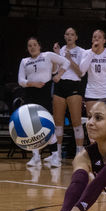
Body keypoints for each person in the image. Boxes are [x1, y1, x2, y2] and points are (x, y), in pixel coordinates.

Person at [18, 36, 70, 168]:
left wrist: (58, 75)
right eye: (30, 46)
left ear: (39, 46)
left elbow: (66, 62)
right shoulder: (24, 61)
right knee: (32, 126)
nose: (32, 47)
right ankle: (36, 156)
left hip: (44, 93)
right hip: (30, 93)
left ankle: (54, 156)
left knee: (46, 125)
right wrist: (32, 83)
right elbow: (20, 80)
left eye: (34, 44)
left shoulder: (47, 55)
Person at [48, 27, 86, 167]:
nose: (69, 36)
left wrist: (69, 59)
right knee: (58, 122)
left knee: (76, 121)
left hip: (74, 86)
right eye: (67, 34)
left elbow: (81, 73)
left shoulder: (81, 51)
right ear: (64, 36)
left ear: (76, 37)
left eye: (72, 34)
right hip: (60, 85)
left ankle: (79, 153)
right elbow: (55, 71)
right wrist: (57, 55)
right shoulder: (61, 49)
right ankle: (56, 155)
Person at [79, 29, 106, 116]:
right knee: (91, 119)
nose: (96, 39)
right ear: (92, 40)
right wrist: (92, 52)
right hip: (91, 92)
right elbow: (82, 71)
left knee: (105, 120)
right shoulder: (86, 53)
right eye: (94, 37)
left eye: (99, 37)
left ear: (104, 41)